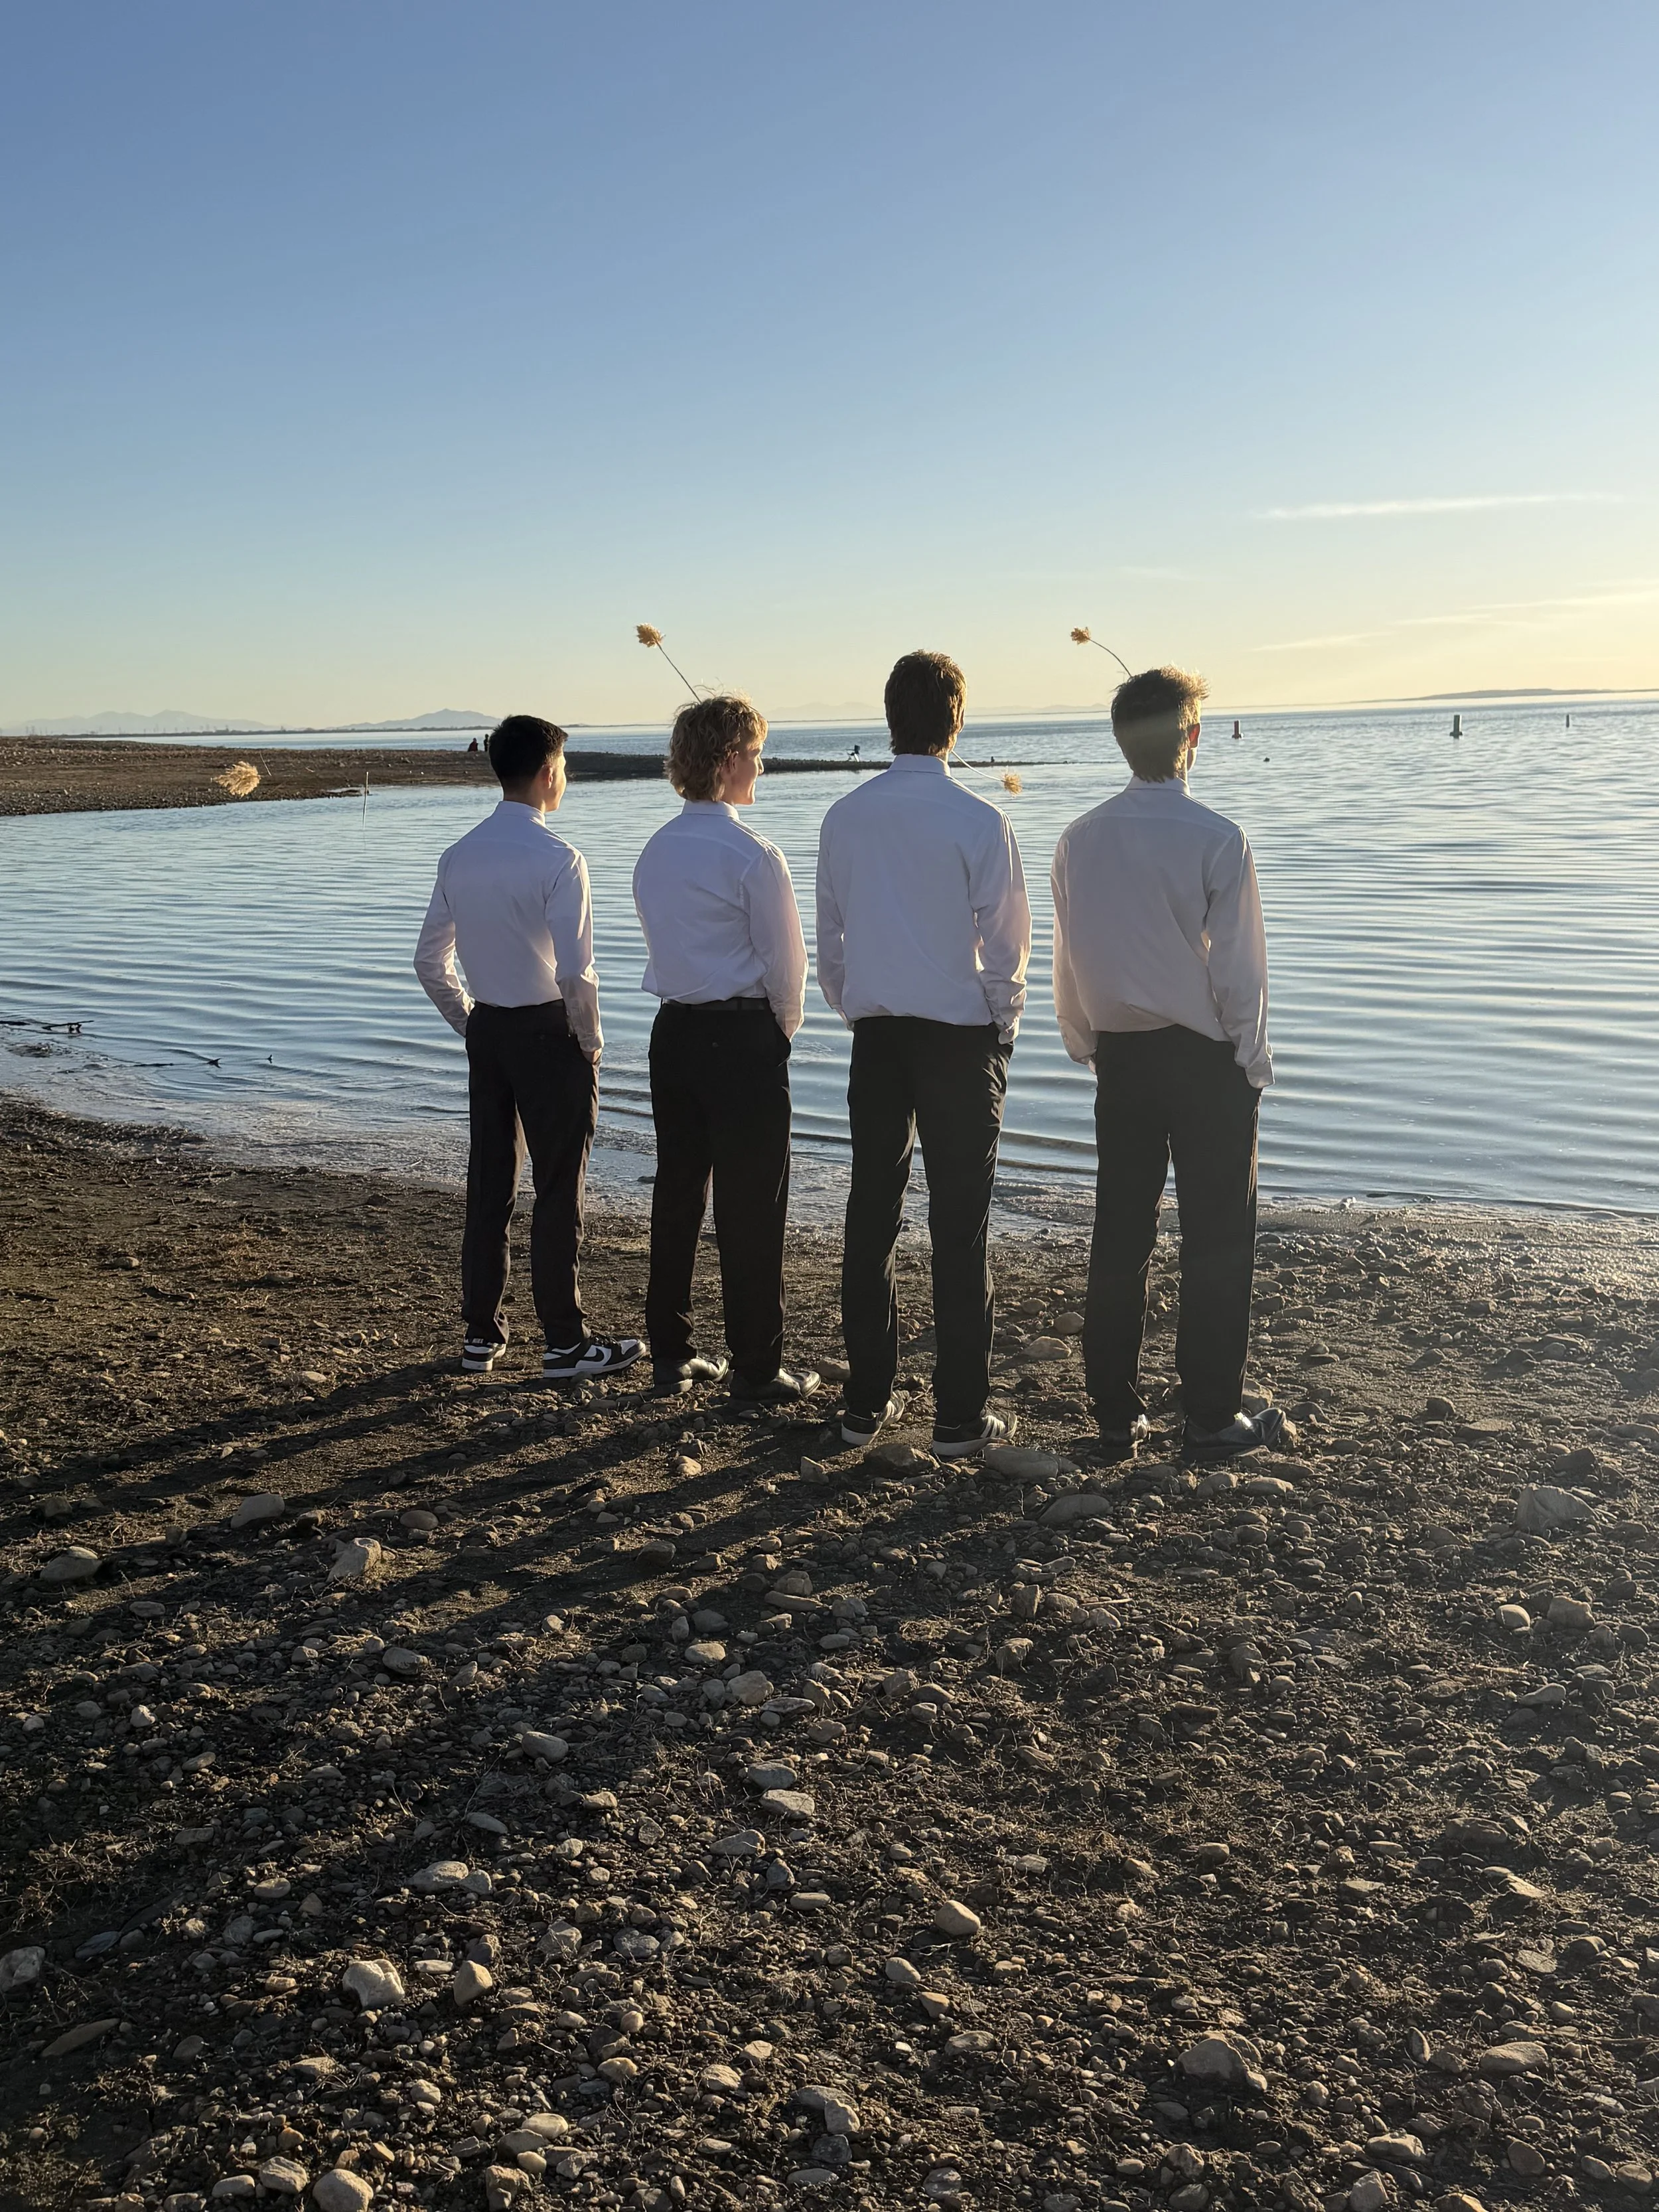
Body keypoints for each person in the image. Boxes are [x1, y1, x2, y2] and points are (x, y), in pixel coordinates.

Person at [1050, 665, 1285, 1460]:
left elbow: (1069, 958)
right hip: (1205, 1060)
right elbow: (1239, 975)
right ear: (1192, 737)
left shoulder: (1079, 839)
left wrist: (1086, 1042)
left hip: (1120, 1059)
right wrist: (1251, 1061)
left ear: (1122, 740)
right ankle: (1211, 1416)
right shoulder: (1219, 838)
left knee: (1121, 1232)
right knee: (1217, 1237)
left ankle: (1114, 1414)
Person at [816, 650, 1031, 1459]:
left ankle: (864, 1404)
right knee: (959, 1226)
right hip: (956, 1040)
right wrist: (999, 1031)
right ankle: (957, 1419)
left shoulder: (845, 817)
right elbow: (1008, 950)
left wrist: (855, 1008)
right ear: (958, 721)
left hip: (877, 1039)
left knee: (870, 1218)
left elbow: (829, 937)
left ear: (887, 719)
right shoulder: (979, 820)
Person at [413, 713, 642, 1383]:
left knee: (489, 1183)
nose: (564, 779)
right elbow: (577, 973)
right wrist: (591, 1042)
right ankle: (566, 1343)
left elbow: (430, 961)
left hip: (491, 1028)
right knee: (558, 1190)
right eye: (563, 768)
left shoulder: (460, 854)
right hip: (549, 1031)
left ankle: (481, 1335)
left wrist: (469, 1023)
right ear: (547, 774)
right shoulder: (559, 859)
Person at [632, 694, 818, 1402]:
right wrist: (778, 1034)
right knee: (752, 1204)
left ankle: (671, 1352)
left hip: (674, 1032)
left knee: (677, 1192)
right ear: (729, 758)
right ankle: (756, 1365)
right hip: (740, 1035)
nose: (761, 767)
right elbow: (787, 968)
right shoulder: (753, 854)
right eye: (756, 753)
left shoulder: (655, 849)